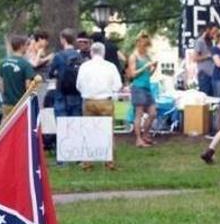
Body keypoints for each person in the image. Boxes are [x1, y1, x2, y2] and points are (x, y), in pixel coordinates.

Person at [75, 42, 123, 170]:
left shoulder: (84, 66)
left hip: (89, 101)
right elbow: (118, 85)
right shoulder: (110, 66)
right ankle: (109, 163)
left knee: (88, 133)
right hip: (105, 101)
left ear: (91, 52)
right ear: (103, 52)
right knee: (108, 133)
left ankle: (87, 163)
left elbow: (78, 85)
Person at [127, 33, 158, 148]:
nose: (145, 48)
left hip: (147, 87)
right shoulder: (133, 56)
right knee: (139, 114)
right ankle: (138, 139)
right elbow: (133, 74)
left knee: (153, 113)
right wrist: (145, 66)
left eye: (147, 45)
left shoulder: (146, 56)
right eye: (144, 45)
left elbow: (148, 75)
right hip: (138, 87)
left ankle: (145, 135)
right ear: (138, 43)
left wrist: (154, 68)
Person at [0, 35, 40, 120]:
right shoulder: (25, 64)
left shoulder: (3, 63)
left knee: (7, 128)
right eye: (27, 45)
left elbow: (1, 86)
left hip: (6, 104)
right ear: (22, 46)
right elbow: (28, 87)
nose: (28, 48)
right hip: (20, 105)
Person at [49, 29, 86, 119]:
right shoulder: (79, 56)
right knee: (75, 124)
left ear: (63, 40)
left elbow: (50, 74)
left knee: (62, 125)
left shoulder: (58, 56)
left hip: (61, 94)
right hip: (76, 93)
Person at [193, 23, 219, 97]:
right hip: (204, 75)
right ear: (208, 30)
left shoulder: (210, 42)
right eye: (213, 32)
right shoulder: (200, 41)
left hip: (212, 74)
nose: (214, 35)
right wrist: (207, 56)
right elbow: (194, 58)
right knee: (205, 97)